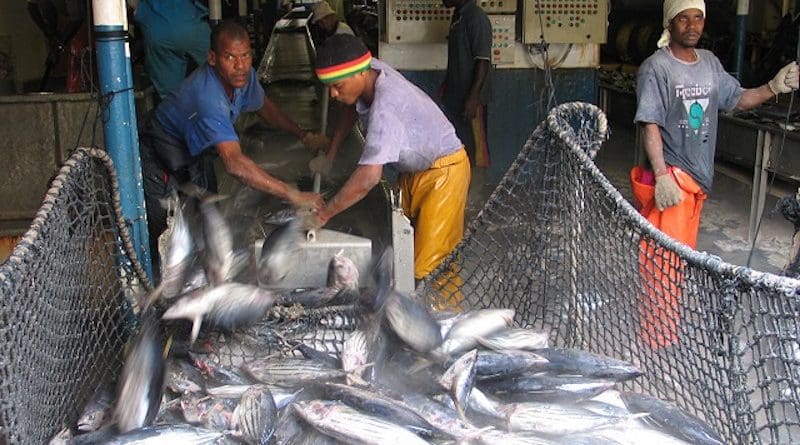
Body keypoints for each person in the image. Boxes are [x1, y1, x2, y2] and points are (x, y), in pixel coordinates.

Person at [631, 0, 799, 349]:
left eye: (698, 18)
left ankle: (667, 331)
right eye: (683, 19)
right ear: (670, 23)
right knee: (662, 261)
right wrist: (662, 176)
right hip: (673, 179)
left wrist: (774, 85)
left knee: (679, 259)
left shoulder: (709, 63)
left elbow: (737, 99)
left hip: (698, 182)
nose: (692, 26)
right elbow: (650, 123)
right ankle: (657, 341)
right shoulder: (656, 68)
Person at [139, 20, 328, 269]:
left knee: (209, 220)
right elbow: (235, 164)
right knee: (171, 242)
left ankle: (209, 276)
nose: (240, 66)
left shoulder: (243, 77)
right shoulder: (208, 97)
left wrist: (303, 135)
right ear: (213, 58)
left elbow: (264, 107)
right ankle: (161, 295)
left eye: (246, 56)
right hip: (159, 160)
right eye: (230, 57)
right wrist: (292, 194)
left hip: (193, 156)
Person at [310, 34, 471, 299]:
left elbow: (369, 177)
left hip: (444, 175)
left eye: (337, 86)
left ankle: (445, 321)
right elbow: (351, 109)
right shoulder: (370, 71)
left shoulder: (387, 106)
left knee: (432, 267)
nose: (333, 94)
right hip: (415, 172)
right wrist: (331, 153)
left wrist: (324, 215)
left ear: (360, 73)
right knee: (403, 247)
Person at [440, 0, 492, 168]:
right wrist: (446, 86)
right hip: (455, 97)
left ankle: (477, 191)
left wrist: (473, 98)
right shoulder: (458, 16)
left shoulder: (476, 17)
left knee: (475, 152)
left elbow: (483, 61)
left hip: (470, 101)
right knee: (459, 147)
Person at [132, 0, 212, 100]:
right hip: (190, 22)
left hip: (157, 30)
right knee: (222, 73)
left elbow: (132, 5)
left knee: (170, 98)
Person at [27, 0, 86, 92]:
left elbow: (77, 19)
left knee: (79, 56)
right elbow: (33, 7)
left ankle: (79, 89)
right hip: (64, 15)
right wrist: (50, 33)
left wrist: (59, 45)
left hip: (85, 20)